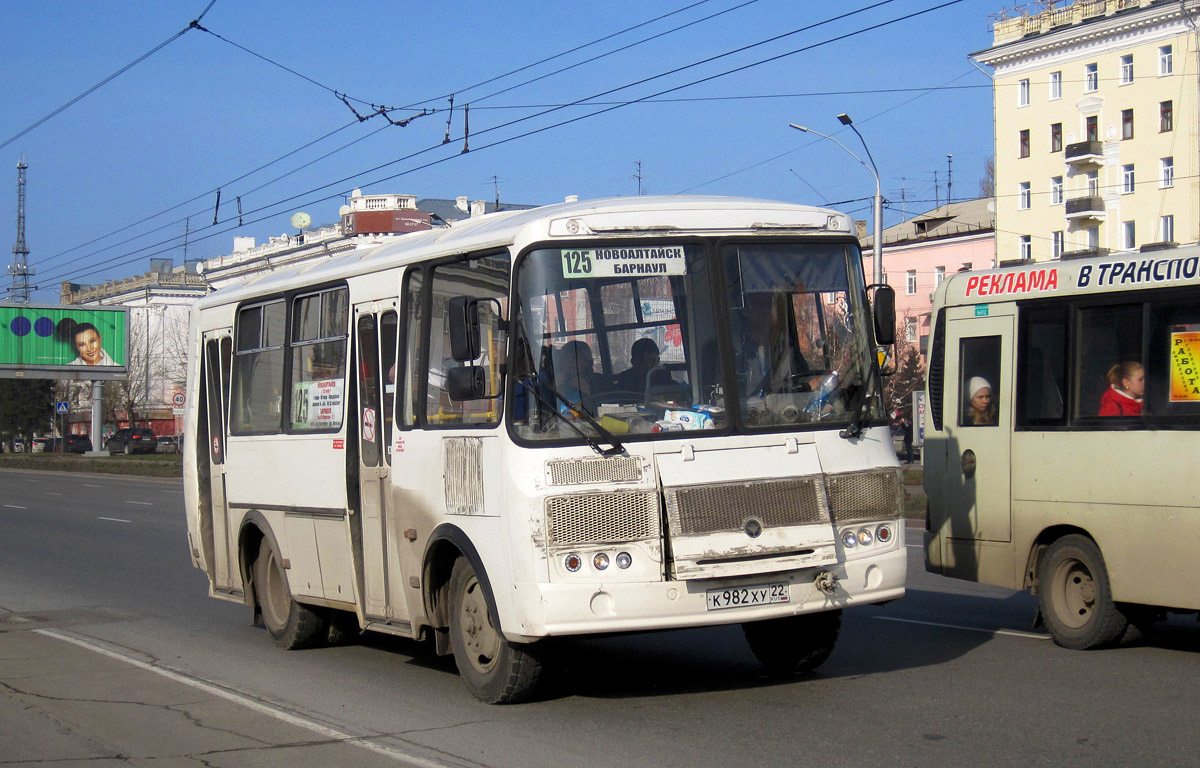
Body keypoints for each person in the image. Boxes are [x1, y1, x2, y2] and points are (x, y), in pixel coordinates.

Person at [554, 340, 597, 416]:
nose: (572, 362)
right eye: (568, 358)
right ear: (560, 360)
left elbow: (597, 414)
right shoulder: (546, 379)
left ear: (587, 363)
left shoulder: (596, 381)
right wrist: (553, 386)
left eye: (577, 359)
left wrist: (588, 393)